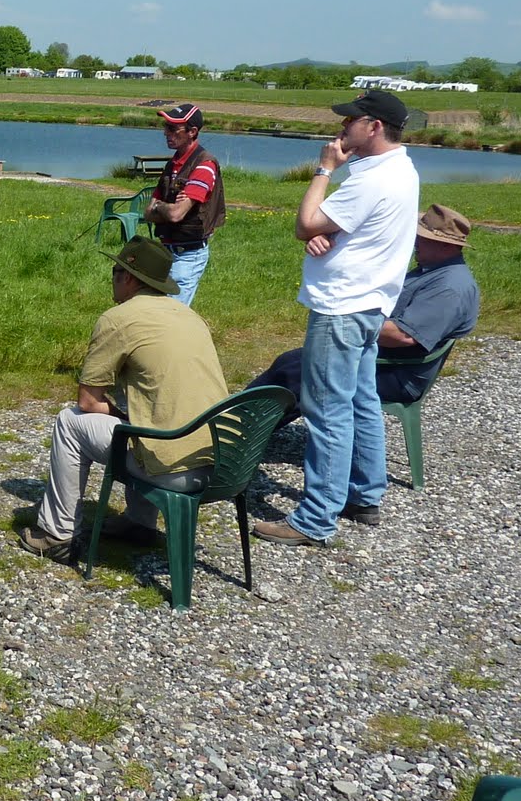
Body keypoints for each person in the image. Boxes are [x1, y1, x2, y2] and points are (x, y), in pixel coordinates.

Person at [253, 89, 420, 547]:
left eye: (351, 121)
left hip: (342, 307)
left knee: (326, 411)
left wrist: (325, 170)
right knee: (361, 401)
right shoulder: (402, 169)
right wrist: (326, 236)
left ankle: (315, 517)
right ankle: (365, 495)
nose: (342, 129)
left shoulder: (370, 180)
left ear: (375, 127)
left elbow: (305, 223)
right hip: (371, 303)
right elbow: (333, 229)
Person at [18, 238, 228, 563]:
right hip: (224, 466)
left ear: (128, 277)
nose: (112, 277)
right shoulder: (189, 316)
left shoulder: (118, 319)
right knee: (145, 414)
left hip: (173, 469)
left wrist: (117, 414)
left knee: (70, 422)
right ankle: (139, 523)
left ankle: (57, 535)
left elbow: (88, 401)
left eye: (115, 270)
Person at [248, 204, 480, 451]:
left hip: (398, 374)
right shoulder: (433, 271)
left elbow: (405, 335)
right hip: (381, 359)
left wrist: (346, 322)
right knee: (293, 361)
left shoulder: (449, 287)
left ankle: (245, 433)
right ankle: (242, 421)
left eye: (422, 239)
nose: (414, 243)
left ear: (446, 246)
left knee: (303, 371)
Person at [142, 103, 225, 306]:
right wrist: (164, 207)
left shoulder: (204, 165)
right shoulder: (173, 164)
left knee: (172, 314)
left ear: (192, 132)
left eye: (172, 128)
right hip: (166, 251)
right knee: (159, 311)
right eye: (165, 126)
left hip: (187, 255)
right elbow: (147, 212)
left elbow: (176, 214)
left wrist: (161, 206)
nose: (165, 133)